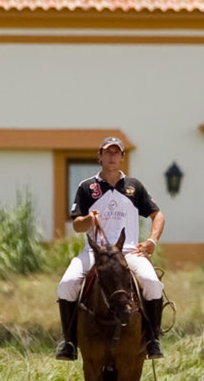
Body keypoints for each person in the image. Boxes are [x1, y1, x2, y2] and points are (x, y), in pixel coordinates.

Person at [56, 136, 168, 360]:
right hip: (95, 252)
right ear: (99, 156)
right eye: (108, 152)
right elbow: (77, 225)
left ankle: (153, 340)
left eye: (116, 152)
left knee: (153, 284)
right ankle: (69, 342)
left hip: (128, 252)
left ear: (122, 157)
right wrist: (89, 220)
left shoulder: (134, 187)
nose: (112, 156)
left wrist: (151, 241)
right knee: (66, 285)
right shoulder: (87, 187)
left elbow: (158, 215)